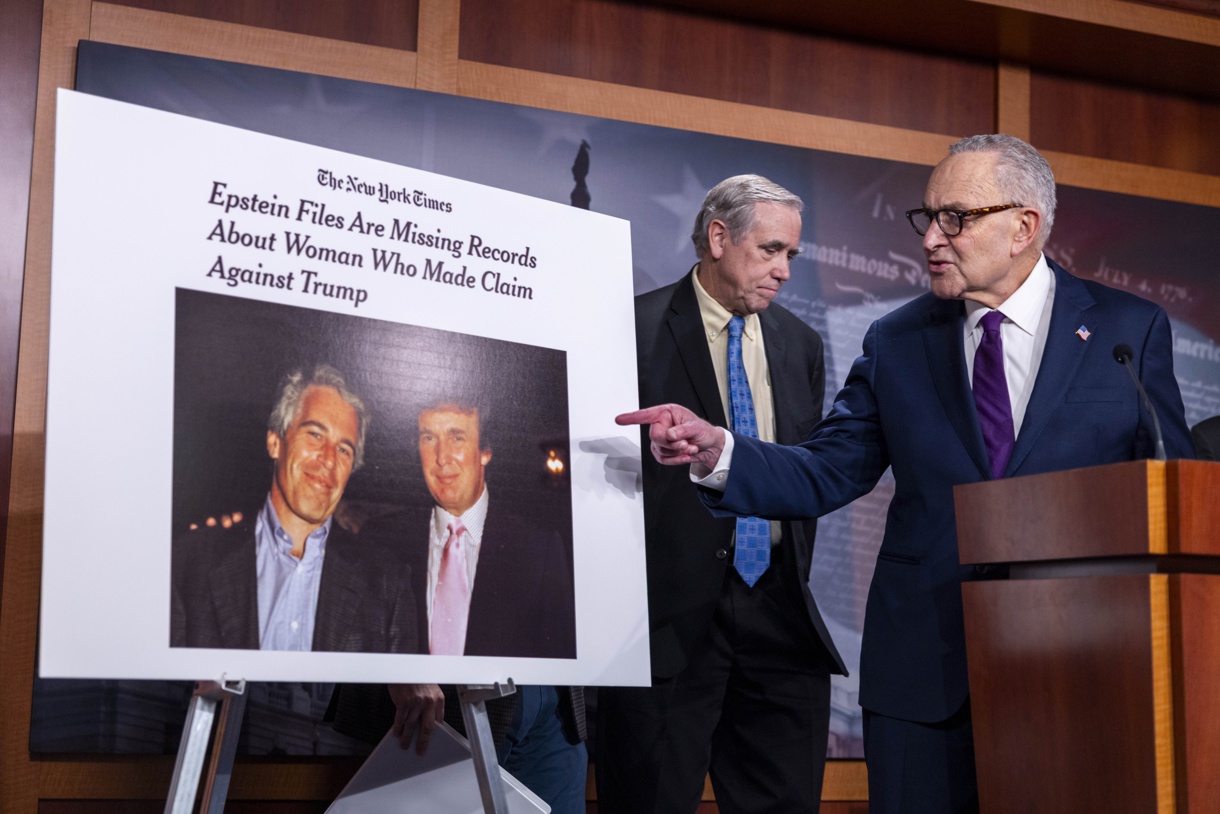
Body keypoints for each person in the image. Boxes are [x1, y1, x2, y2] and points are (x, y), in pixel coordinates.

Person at [619, 136, 1195, 813]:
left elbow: (1173, 491)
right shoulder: (897, 340)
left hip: (1077, 668)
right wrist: (721, 451)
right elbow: (829, 468)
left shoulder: (1129, 329)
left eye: (956, 217)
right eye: (926, 217)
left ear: (1023, 228)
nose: (931, 239)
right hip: (926, 675)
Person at [597, 174, 846, 814]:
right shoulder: (632, 328)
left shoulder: (801, 344)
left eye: (791, 254)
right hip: (669, 623)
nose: (785, 270)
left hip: (778, 616)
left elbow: (807, 471)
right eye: (770, 250)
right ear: (717, 237)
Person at [333, 399, 585, 814]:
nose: (442, 457)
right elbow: (348, 633)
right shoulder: (380, 538)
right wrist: (397, 666)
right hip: (438, 727)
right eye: (428, 438)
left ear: (484, 450)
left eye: (457, 437)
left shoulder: (540, 540)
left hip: (550, 723)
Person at [171, 364, 417, 653]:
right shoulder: (190, 562)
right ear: (275, 442)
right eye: (315, 434)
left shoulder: (387, 584)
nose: (328, 459)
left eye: (343, 449)